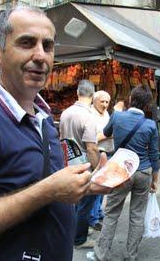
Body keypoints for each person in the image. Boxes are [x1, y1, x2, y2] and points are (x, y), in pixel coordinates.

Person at [0, 6, 110, 261]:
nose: (40, 55)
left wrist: (87, 186)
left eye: (48, 46)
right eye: (26, 43)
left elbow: (48, 186)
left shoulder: (44, 117)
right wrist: (48, 190)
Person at [88, 86, 159, 261]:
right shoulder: (150, 125)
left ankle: (101, 254)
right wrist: (154, 179)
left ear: (130, 98)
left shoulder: (117, 116)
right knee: (137, 215)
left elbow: (104, 134)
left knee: (111, 213)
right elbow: (155, 154)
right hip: (143, 171)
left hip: (120, 171)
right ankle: (131, 255)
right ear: (147, 104)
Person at [59, 79, 100, 249]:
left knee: (73, 202)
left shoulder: (65, 113)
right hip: (84, 166)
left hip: (68, 163)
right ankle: (79, 239)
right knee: (85, 204)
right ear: (92, 95)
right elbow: (91, 148)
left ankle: (73, 231)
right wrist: (97, 168)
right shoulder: (89, 116)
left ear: (77, 92)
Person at [89, 90, 113, 231]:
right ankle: (93, 218)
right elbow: (93, 138)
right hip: (97, 156)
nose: (104, 105)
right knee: (95, 187)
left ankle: (98, 212)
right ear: (94, 101)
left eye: (107, 102)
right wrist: (109, 135)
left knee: (102, 187)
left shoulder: (106, 113)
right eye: (102, 101)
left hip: (107, 153)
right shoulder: (90, 115)